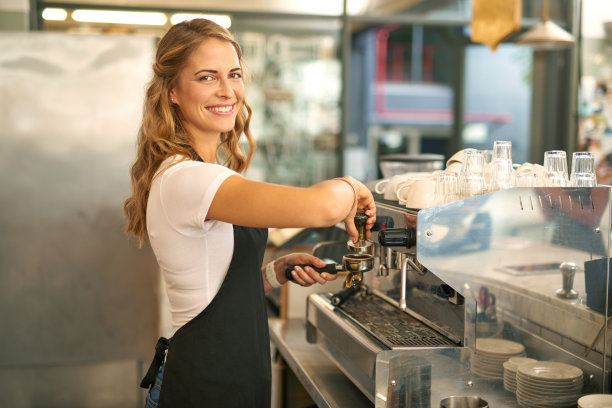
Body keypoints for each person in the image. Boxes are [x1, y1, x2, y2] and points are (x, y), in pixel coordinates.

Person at [123, 18, 376, 408]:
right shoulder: (188, 178)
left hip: (231, 380)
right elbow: (322, 207)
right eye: (207, 77)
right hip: (203, 388)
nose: (227, 91)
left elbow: (209, 286)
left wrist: (273, 273)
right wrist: (353, 187)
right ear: (173, 91)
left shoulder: (205, 174)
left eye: (234, 74)